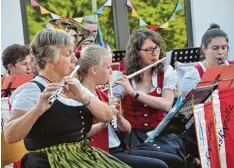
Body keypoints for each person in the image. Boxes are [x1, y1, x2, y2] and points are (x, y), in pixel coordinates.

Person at [4, 30, 130, 168]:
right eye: (67, 54)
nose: (74, 60)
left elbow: (106, 115)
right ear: (49, 58)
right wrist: (36, 111)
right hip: (49, 161)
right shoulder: (32, 91)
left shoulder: (73, 85)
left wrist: (83, 97)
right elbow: (10, 136)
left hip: (81, 155)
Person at [77, 45, 183, 168]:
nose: (111, 71)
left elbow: (127, 130)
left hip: (120, 147)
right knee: (159, 166)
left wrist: (119, 117)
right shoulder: (80, 97)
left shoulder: (102, 94)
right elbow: (78, 134)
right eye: (108, 67)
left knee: (175, 160)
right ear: (94, 70)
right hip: (101, 152)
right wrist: (103, 122)